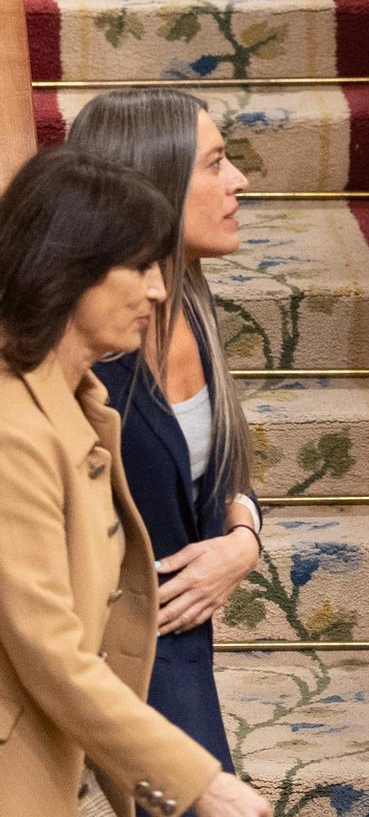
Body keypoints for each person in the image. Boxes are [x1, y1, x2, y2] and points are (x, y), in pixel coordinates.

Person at [0, 146, 271, 817]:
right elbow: (50, 653)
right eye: (141, 266)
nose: (158, 289)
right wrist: (201, 784)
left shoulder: (82, 404)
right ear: (69, 269)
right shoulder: (12, 431)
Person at [67, 89, 262, 791]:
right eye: (215, 164)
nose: (239, 180)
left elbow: (224, 470)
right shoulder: (91, 355)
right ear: (153, 189)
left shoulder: (193, 302)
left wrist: (244, 540)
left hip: (178, 646)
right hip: (110, 650)